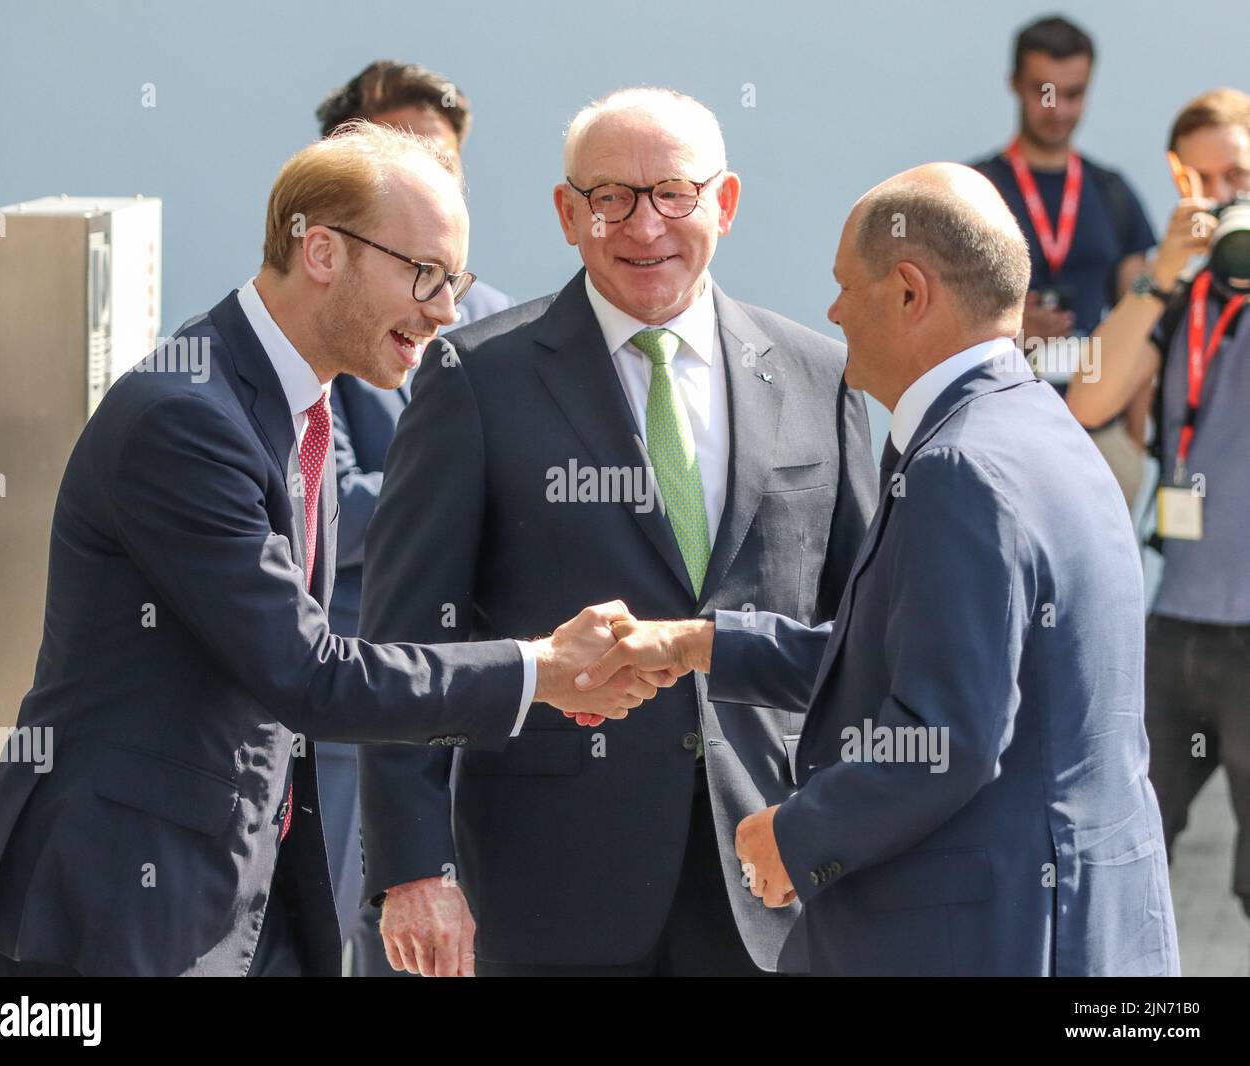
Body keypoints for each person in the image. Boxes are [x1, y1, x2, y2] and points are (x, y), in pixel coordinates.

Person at [0, 122, 663, 977]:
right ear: (323, 252)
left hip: (240, 899)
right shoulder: (187, 420)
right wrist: (537, 669)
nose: (444, 312)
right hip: (119, 912)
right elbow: (308, 673)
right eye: (425, 275)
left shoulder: (294, 402)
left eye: (454, 281)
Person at [579, 162, 1180, 976]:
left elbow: (946, 732)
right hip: (1074, 920)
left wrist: (795, 834)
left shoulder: (961, 467)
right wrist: (699, 644)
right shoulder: (1037, 423)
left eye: (843, 285)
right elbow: (916, 654)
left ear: (907, 292)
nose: (830, 311)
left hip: (981, 933)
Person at [356, 87, 877, 976]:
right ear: (568, 213)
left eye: (674, 192)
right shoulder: (475, 379)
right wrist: (413, 868)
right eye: (611, 199)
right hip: (548, 883)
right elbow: (407, 641)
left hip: (772, 874)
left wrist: (855, 830)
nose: (645, 227)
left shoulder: (820, 374)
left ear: (726, 202)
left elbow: (867, 632)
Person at [312, 59, 515, 970]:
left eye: (446, 164)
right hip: (348, 687)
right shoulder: (316, 325)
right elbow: (323, 508)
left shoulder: (505, 325)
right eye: (406, 162)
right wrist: (459, 488)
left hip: (478, 690)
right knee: (340, 918)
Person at [1065, 88, 1250, 922]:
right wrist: (1167, 273)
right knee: (1120, 854)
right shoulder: (1175, 295)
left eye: (1238, 175)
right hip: (1174, 625)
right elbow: (1088, 402)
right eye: (1203, 181)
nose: (1223, 196)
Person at [971, 15, 1156, 506]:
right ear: (1014, 84)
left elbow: (1144, 318)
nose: (1058, 109)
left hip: (1099, 436)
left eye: (1074, 94)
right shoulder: (972, 190)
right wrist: (1006, 327)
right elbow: (937, 314)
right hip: (998, 428)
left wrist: (1134, 439)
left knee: (1102, 582)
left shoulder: (1113, 194)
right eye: (1043, 91)